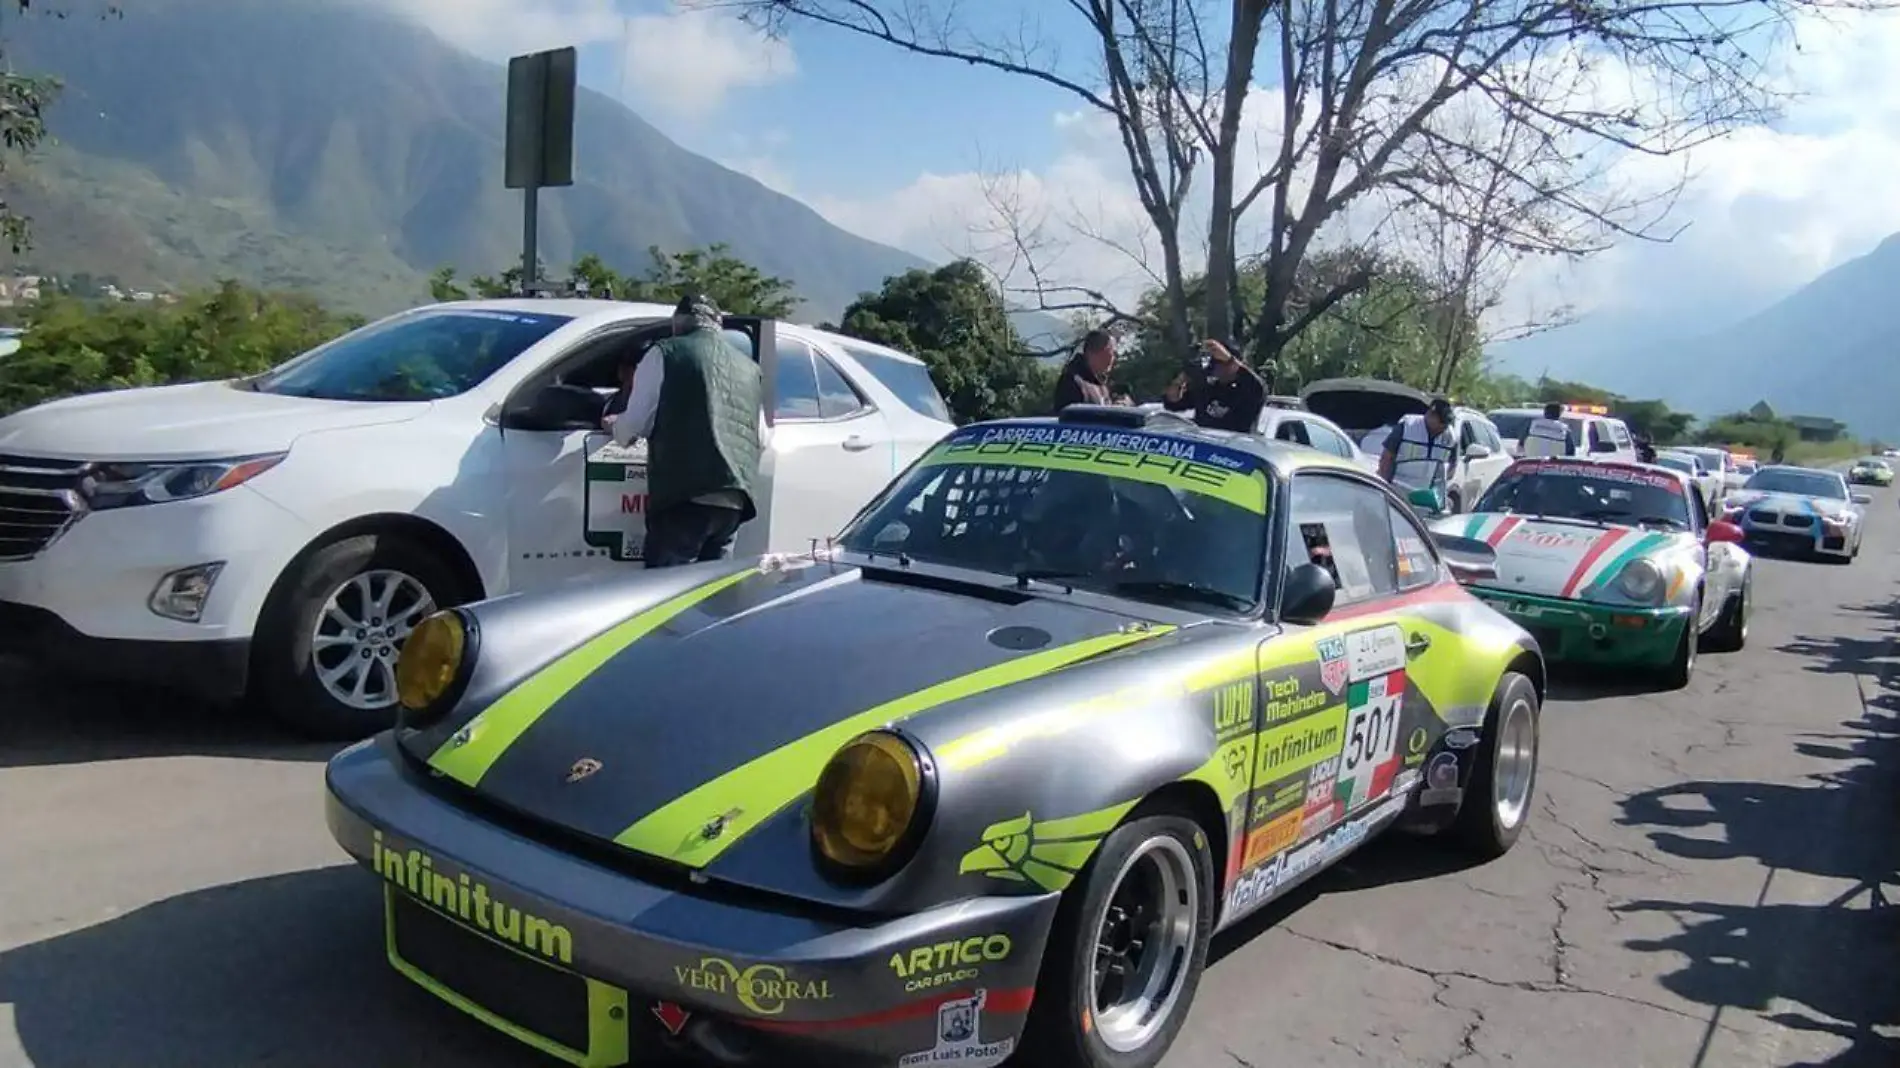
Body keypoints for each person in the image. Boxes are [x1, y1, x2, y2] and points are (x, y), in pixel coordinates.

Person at [605, 293, 764, 568]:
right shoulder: (750, 369)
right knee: (709, 599)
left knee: (666, 598)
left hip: (685, 498)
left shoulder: (665, 353)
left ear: (677, 324)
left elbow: (633, 426)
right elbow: (760, 436)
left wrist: (614, 425)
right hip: (733, 502)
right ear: (718, 326)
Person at [1163, 339, 1266, 432]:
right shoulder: (1207, 389)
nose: (1216, 368)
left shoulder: (1248, 392)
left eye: (1220, 363)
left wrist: (1229, 359)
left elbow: (1258, 386)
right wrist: (1181, 379)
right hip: (1205, 445)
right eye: (1214, 363)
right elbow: (1172, 403)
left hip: (1235, 447)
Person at [1378, 397, 1460, 495]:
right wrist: (1384, 486)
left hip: (1428, 496)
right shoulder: (1407, 426)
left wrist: (1441, 482)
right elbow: (1386, 457)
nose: (1444, 427)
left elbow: (1453, 465)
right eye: (1441, 423)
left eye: (1446, 424)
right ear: (1430, 415)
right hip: (1398, 490)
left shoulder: (1451, 436)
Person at [1051, 330, 1116, 412]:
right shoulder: (1071, 381)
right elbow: (1067, 420)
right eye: (1112, 352)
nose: (1113, 357)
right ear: (1101, 350)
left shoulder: (1100, 385)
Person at [602, 347, 639, 422]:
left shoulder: (642, 401)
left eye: (630, 364)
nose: (623, 368)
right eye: (622, 363)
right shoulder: (612, 401)